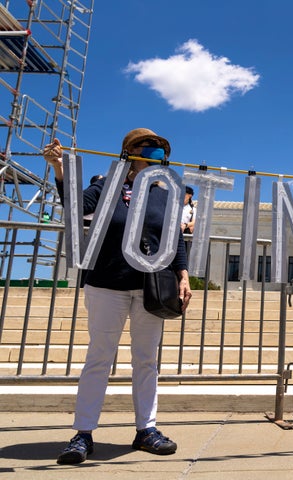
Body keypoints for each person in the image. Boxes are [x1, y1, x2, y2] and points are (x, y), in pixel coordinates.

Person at [42, 128, 192, 464]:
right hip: (107, 281)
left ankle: (146, 430)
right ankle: (83, 433)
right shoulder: (107, 186)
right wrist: (60, 170)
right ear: (129, 153)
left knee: (146, 361)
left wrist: (183, 274)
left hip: (150, 287)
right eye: (148, 148)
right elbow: (76, 207)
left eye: (160, 151)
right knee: (99, 357)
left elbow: (175, 238)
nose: (155, 154)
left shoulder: (165, 193)